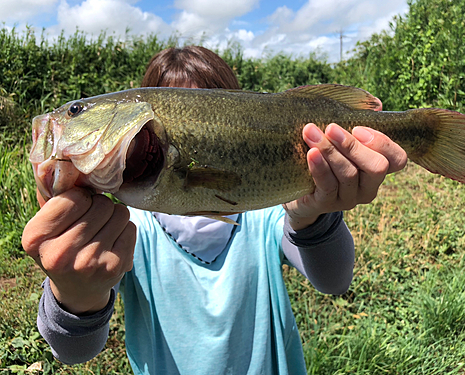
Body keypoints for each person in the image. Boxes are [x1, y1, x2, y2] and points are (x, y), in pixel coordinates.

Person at [22, 46, 407, 374]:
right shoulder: (124, 231)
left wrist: (314, 214)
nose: (62, 119)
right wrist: (74, 293)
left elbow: (334, 280)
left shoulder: (267, 214)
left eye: (75, 111)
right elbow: (73, 351)